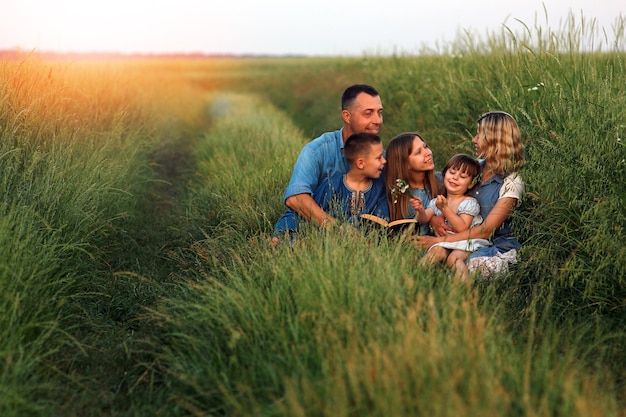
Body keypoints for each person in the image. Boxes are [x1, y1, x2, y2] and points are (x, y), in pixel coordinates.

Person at [414, 111, 525, 278]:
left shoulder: (512, 182)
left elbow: (486, 231)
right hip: (456, 240)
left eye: (479, 136)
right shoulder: (472, 169)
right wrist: (434, 217)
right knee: (435, 256)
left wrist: (439, 241)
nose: (474, 140)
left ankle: (464, 298)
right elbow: (444, 190)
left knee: (468, 265)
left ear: (495, 141)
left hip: (488, 244)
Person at [272, 84, 383, 244]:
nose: (377, 120)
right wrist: (336, 228)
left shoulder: (381, 158)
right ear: (347, 116)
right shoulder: (317, 150)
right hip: (311, 224)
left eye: (380, 113)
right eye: (368, 113)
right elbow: (295, 198)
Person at [413, 154, 489, 280]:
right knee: (435, 252)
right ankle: (415, 278)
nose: (455, 178)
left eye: (462, 177)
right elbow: (424, 218)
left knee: (454, 259)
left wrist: (445, 209)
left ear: (470, 184)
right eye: (452, 172)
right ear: (444, 174)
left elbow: (462, 228)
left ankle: (463, 288)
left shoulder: (469, 203)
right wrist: (420, 209)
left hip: (467, 242)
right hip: (446, 242)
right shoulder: (437, 201)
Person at [312, 132, 388, 225]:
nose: (384, 161)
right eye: (379, 158)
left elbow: (383, 219)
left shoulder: (379, 188)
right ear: (360, 163)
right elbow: (313, 213)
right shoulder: (332, 185)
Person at [383, 132, 442, 236]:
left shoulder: (442, 181)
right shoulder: (395, 193)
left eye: (426, 147)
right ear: (404, 163)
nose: (428, 152)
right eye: (419, 152)